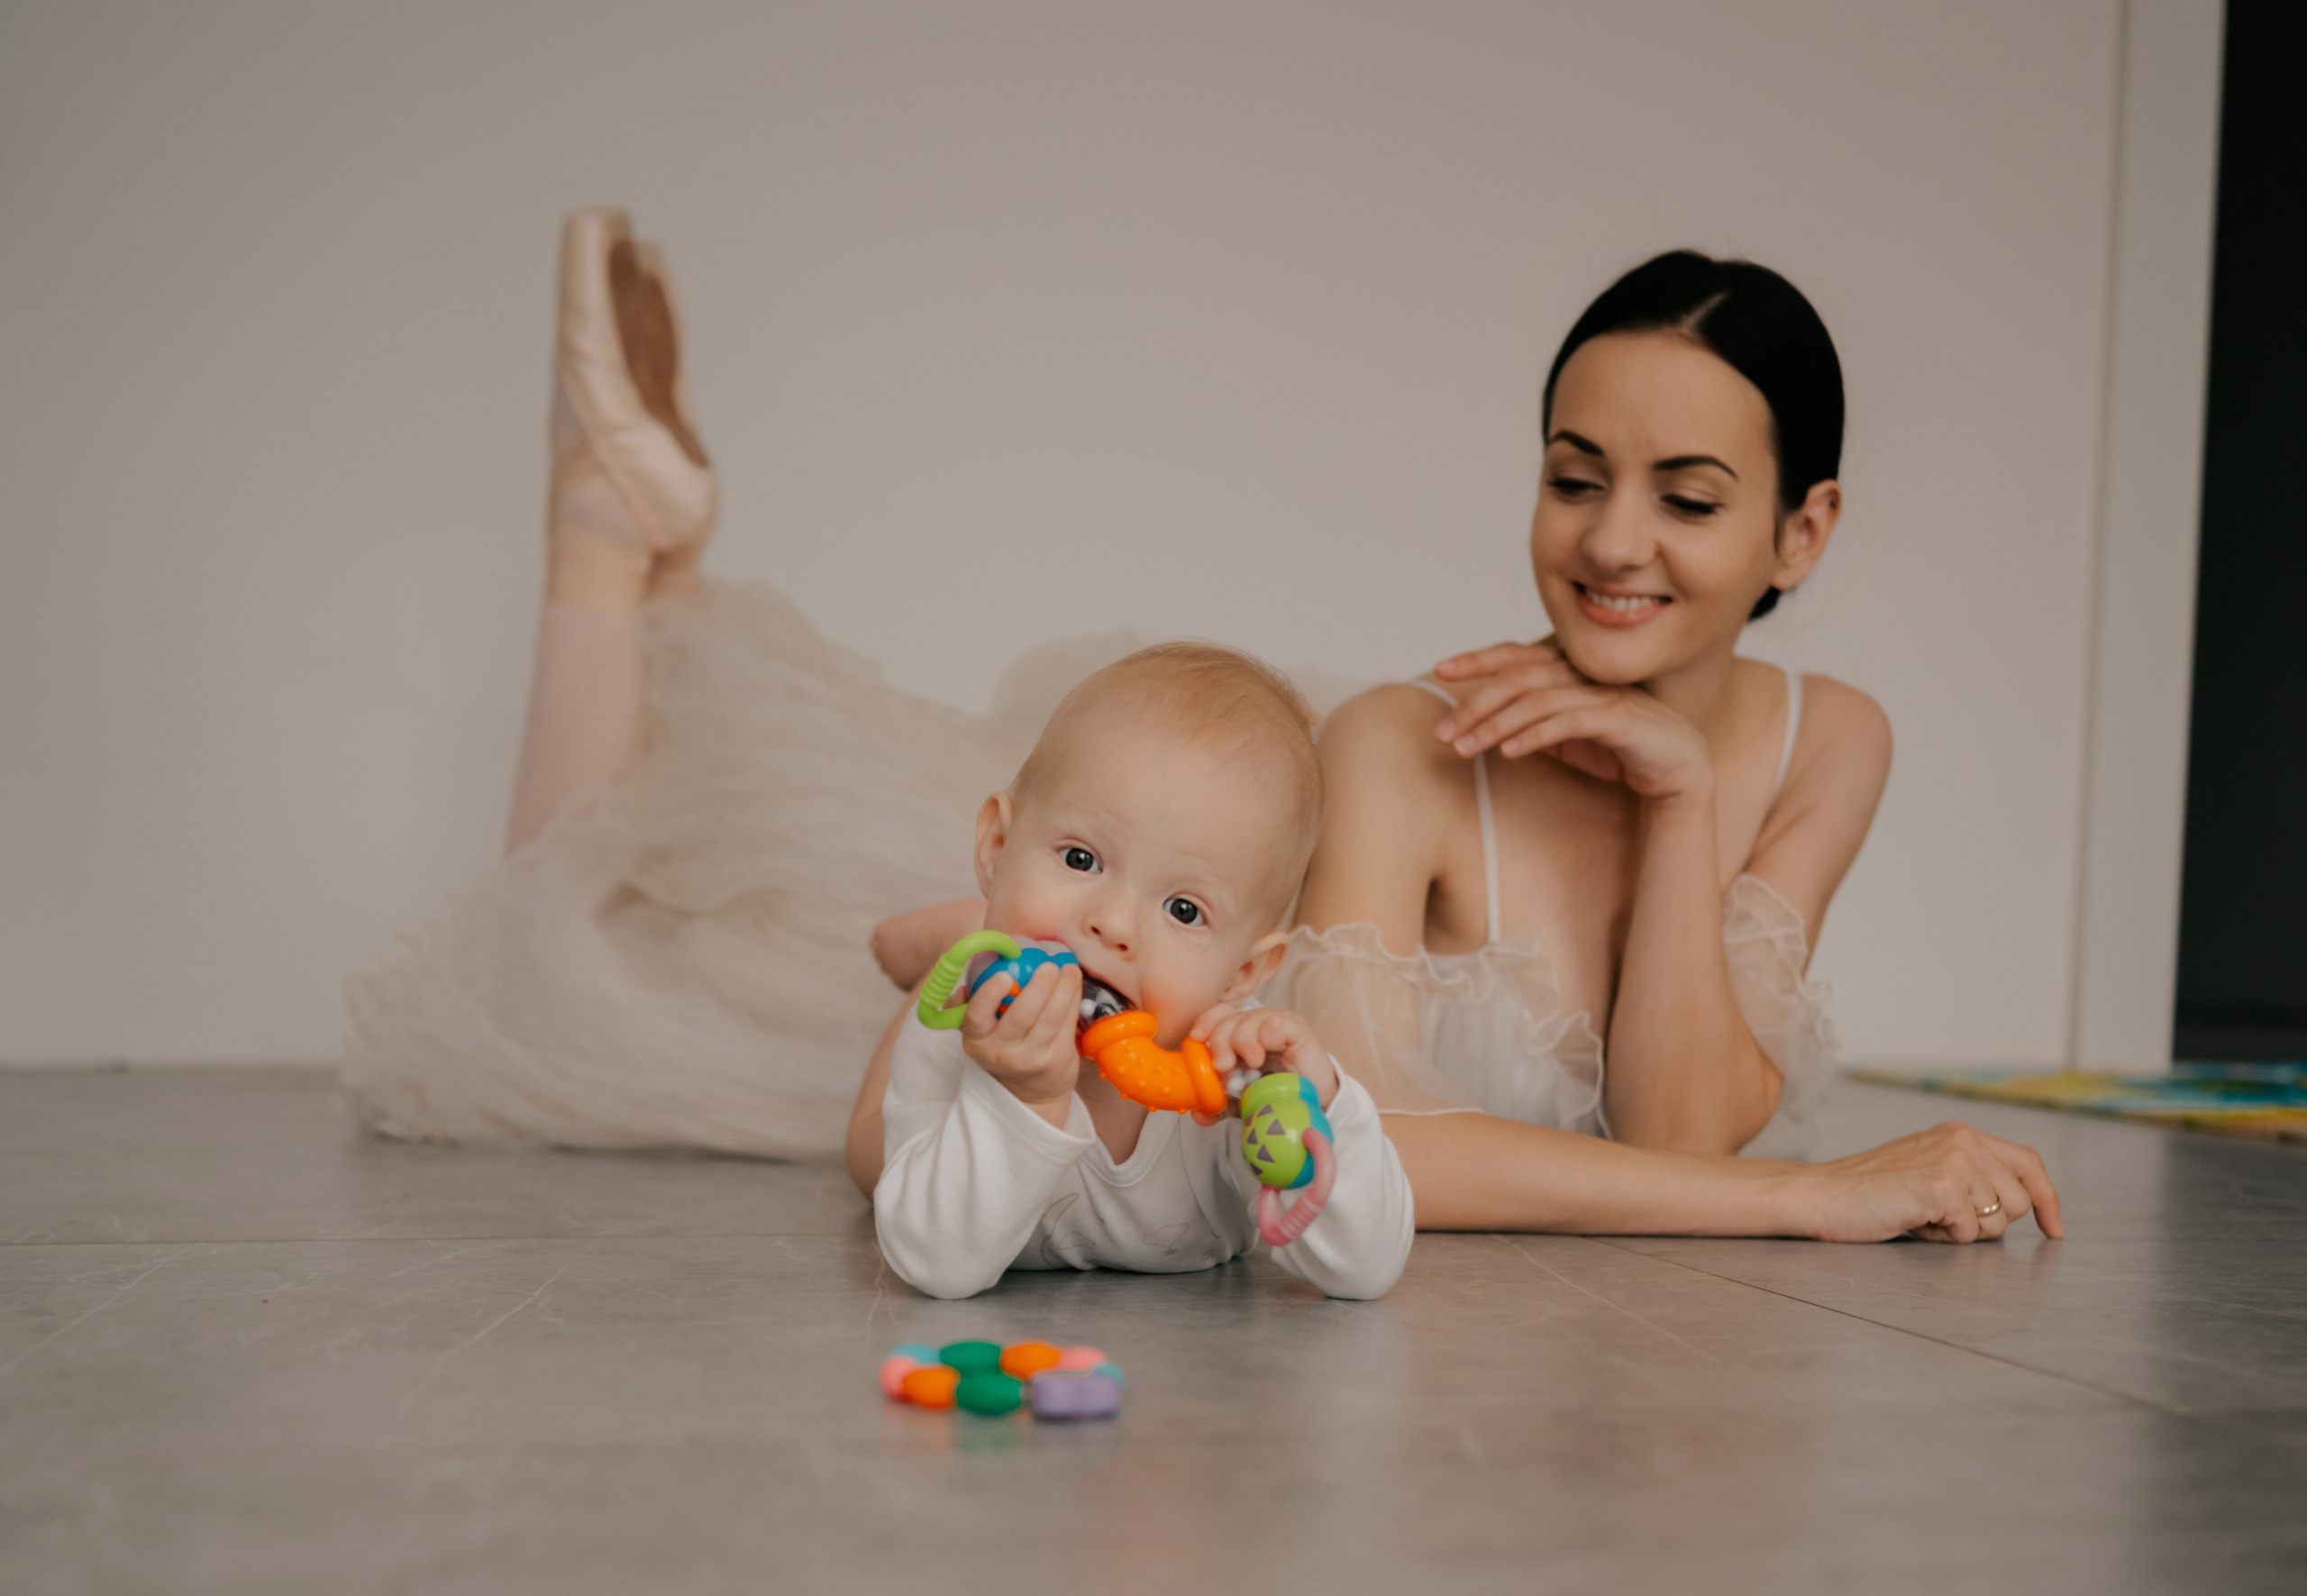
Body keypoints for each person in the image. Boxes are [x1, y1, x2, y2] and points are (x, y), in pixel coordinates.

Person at [347, 212, 2057, 1248]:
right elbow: (1391, 1150)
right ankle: (605, 534)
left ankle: (640, 539)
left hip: (1166, 944)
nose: (1613, 545)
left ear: (1803, 534)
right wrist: (1815, 1201)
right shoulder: (1408, 742)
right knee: (577, 938)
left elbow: (1681, 1120)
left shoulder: (1829, 741)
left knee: (632, 913)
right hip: (1088, 974)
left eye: (1689, 500)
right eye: (1571, 477)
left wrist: (1682, 800)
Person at [870, 643, 1412, 1300]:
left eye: (1183, 909)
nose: (1114, 923)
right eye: (1080, 859)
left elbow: (1367, 1270)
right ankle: (953, 941)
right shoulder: (954, 1043)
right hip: (954, 1035)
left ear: (1242, 971)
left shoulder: (1234, 1078)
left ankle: (970, 919)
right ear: (997, 848)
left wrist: (1317, 1104)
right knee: (864, 1153)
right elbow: (934, 1262)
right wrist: (1022, 1096)